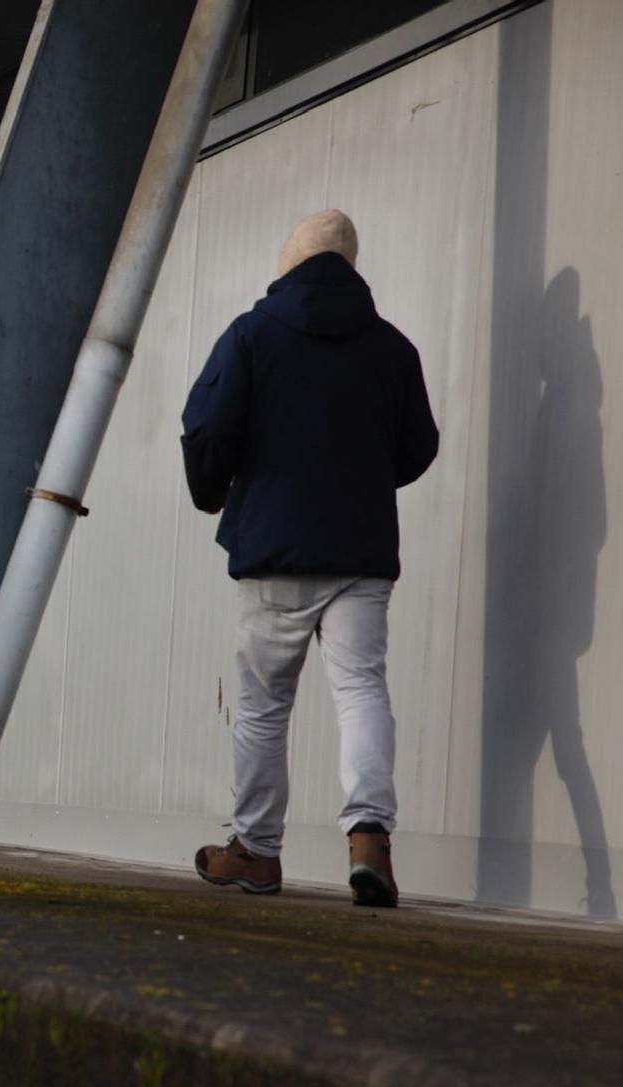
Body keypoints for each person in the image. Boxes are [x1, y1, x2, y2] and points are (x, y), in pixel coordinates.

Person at [181, 209, 439, 907]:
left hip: (274, 549)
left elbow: (206, 428)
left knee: (265, 707)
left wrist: (215, 491)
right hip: (361, 551)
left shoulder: (252, 335)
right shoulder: (392, 348)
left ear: (288, 266)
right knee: (360, 689)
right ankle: (369, 840)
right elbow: (418, 447)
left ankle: (258, 853)